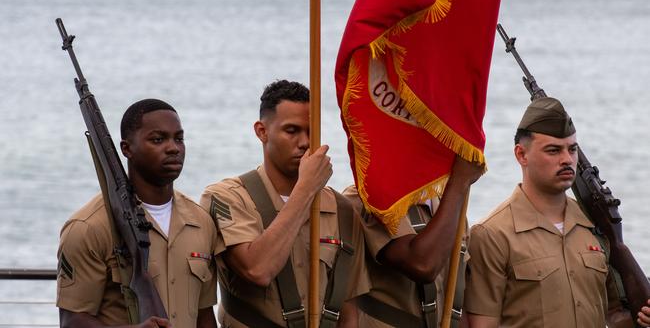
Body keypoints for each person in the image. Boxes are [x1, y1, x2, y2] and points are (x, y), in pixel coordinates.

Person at [464, 97, 650, 328]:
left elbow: (612, 313)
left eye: (572, 150)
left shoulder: (594, 226)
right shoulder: (492, 235)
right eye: (553, 151)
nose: (566, 160)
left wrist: (640, 319)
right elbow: (483, 324)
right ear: (521, 155)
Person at [199, 80, 369, 327]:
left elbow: (347, 308)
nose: (304, 142)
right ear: (262, 131)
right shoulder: (227, 197)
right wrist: (307, 189)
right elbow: (257, 269)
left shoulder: (341, 209)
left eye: (312, 132)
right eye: (292, 131)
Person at [56, 99, 220, 328]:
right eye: (158, 139)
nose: (173, 148)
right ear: (127, 149)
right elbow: (72, 322)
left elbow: (204, 315)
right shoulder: (88, 227)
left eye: (179, 138)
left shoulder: (201, 222)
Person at [343, 156, 484, 328]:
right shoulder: (366, 197)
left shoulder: (448, 207)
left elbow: (457, 301)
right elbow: (423, 265)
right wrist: (460, 181)